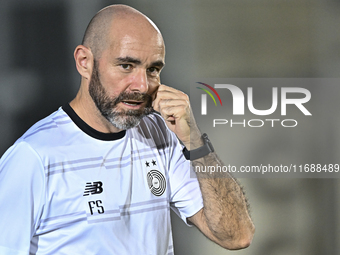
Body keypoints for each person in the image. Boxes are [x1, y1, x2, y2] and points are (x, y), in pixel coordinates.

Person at [0, 4, 254, 255]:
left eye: (153, 69)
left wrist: (195, 141)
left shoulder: (161, 135)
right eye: (126, 66)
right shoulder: (33, 156)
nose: (142, 86)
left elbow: (236, 235)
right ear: (84, 62)